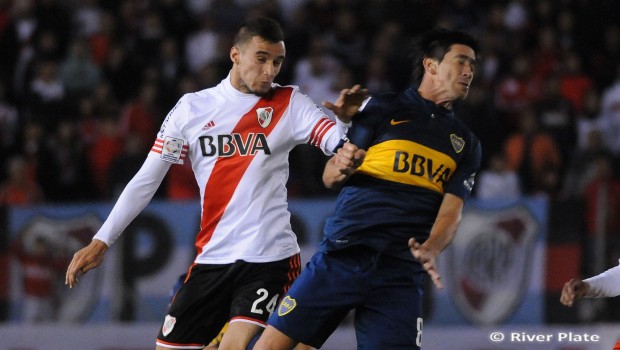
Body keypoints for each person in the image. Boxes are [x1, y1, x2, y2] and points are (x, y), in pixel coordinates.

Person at [65, 17, 367, 350]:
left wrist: (345, 138)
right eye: (261, 59)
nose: (270, 71)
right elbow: (146, 180)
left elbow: (333, 139)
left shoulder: (290, 103)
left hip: (269, 259)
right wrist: (102, 240)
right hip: (213, 258)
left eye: (277, 62)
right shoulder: (191, 108)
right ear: (235, 55)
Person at [253, 28, 481, 350]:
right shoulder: (381, 109)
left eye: (472, 65)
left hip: (400, 272)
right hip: (347, 252)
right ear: (431, 65)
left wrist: (432, 247)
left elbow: (451, 210)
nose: (469, 71)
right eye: (461, 61)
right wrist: (341, 165)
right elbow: (331, 177)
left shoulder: (466, 144)